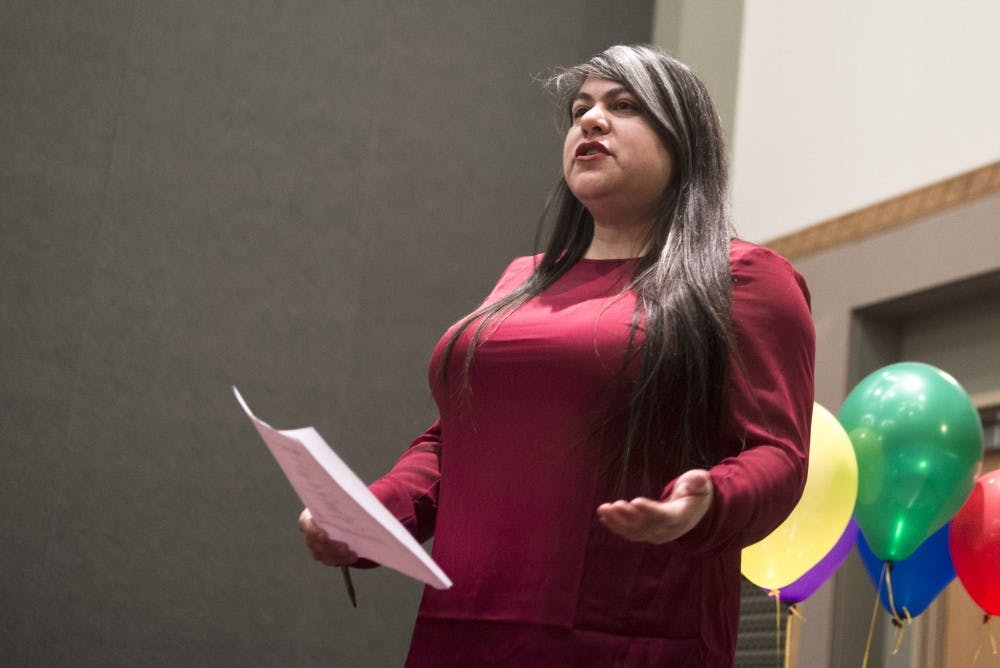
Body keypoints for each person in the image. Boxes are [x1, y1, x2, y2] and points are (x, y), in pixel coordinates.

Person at [299, 44, 815, 667]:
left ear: (686, 142)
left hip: (625, 639)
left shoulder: (744, 278)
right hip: (462, 633)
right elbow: (457, 442)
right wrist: (367, 515)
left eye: (624, 106)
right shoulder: (522, 280)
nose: (590, 122)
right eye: (580, 110)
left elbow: (778, 453)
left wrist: (711, 499)